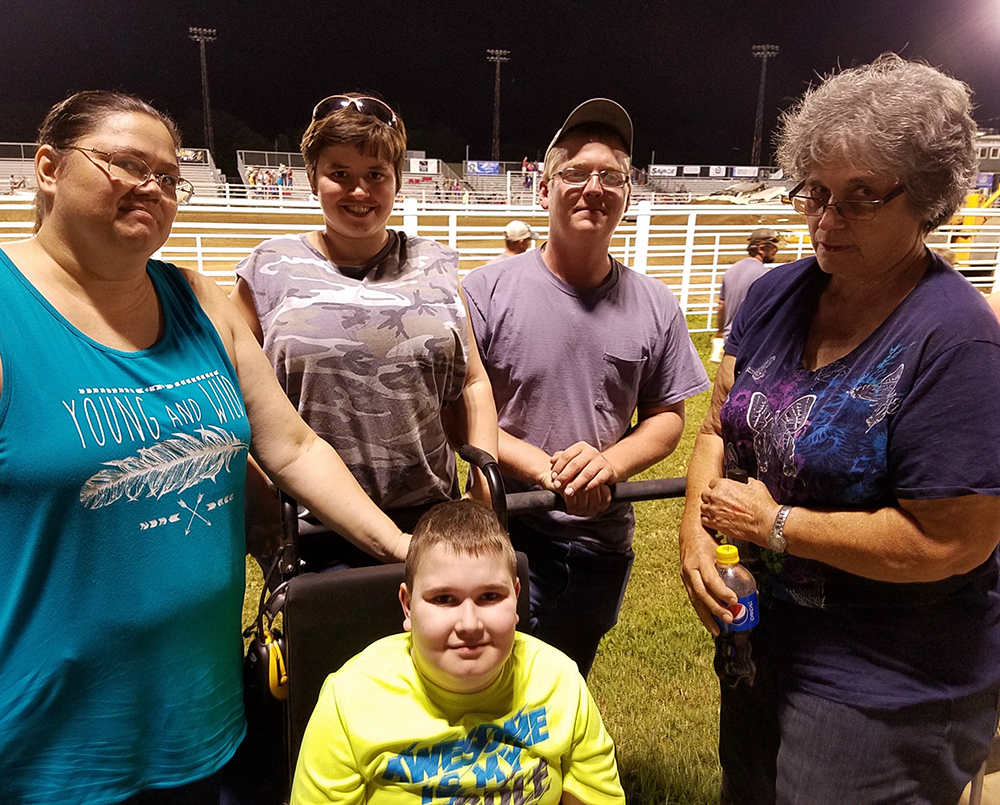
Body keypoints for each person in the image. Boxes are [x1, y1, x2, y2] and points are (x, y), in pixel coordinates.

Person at [0, 90, 412, 805]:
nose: (153, 189)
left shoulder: (197, 299)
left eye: (168, 176)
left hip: (197, 714)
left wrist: (405, 549)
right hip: (47, 738)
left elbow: (294, 445)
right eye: (127, 165)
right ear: (48, 168)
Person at [679, 55, 1000, 804]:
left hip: (888, 683)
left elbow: (954, 541)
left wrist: (778, 523)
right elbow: (716, 431)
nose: (826, 219)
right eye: (816, 192)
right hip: (763, 642)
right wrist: (696, 537)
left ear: (925, 199)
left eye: (861, 197)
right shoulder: (773, 295)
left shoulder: (956, 342)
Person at [464, 98, 709, 676]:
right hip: (501, 529)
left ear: (627, 194)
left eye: (612, 176)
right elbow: (458, 414)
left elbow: (667, 417)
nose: (593, 187)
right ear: (544, 190)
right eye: (575, 172)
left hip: (598, 542)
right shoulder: (484, 292)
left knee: (563, 689)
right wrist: (544, 469)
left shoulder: (655, 303)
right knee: (480, 690)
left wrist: (609, 464)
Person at [230, 93, 497, 571]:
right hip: (313, 526)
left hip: (431, 517)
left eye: (376, 174)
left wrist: (483, 474)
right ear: (313, 178)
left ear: (396, 180)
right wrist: (255, 486)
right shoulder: (268, 268)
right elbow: (220, 388)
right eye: (340, 174)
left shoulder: (434, 264)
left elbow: (472, 380)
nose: (360, 191)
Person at [290, 499, 626, 805]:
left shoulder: (558, 681)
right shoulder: (351, 698)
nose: (469, 623)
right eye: (444, 599)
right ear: (407, 607)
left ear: (516, 597)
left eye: (490, 597)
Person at [712, 228, 780, 347]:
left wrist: (720, 332)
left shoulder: (730, 271)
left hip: (730, 340)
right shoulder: (765, 275)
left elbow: (721, 306)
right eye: (773, 247)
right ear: (761, 248)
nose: (776, 250)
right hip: (752, 340)